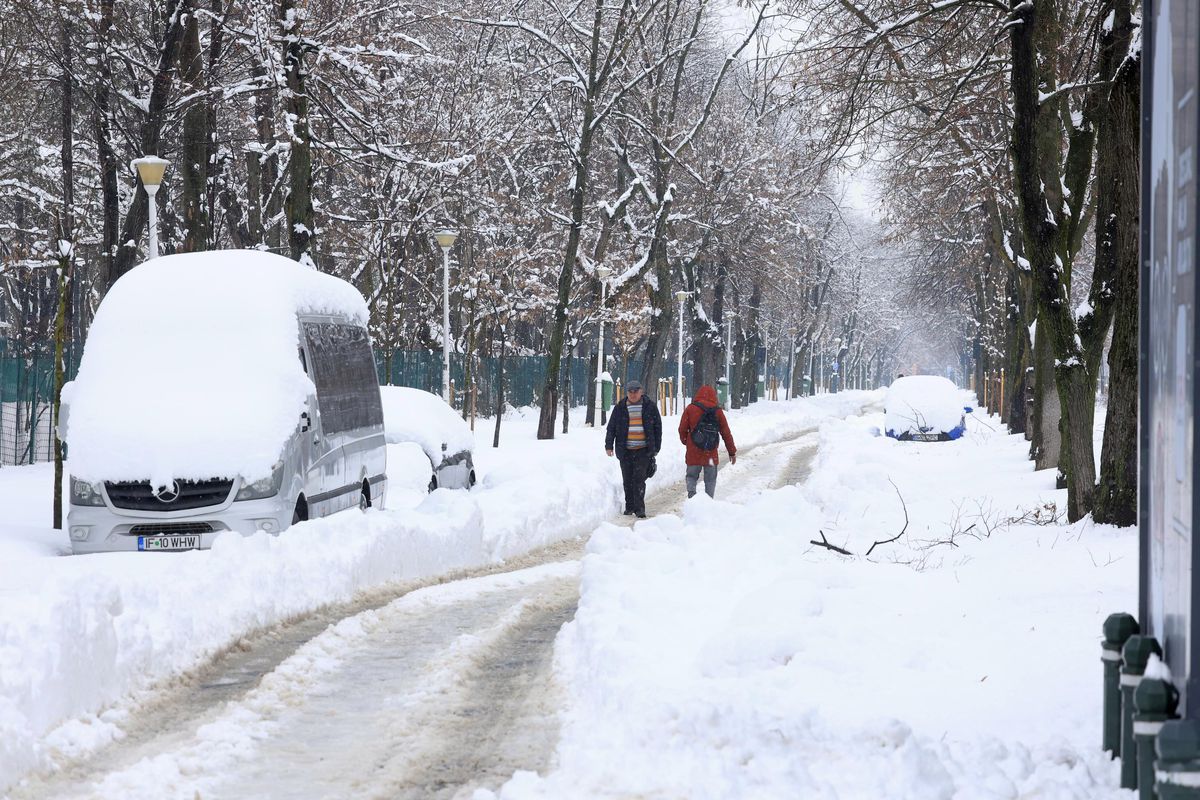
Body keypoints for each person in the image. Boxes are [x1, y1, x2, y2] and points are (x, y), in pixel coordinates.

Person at [605, 380, 662, 518]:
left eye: (635, 391)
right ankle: (629, 506)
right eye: (630, 392)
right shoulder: (620, 407)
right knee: (627, 479)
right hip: (625, 450)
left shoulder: (650, 407)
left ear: (641, 392)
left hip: (643, 449)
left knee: (639, 479)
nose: (633, 394)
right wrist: (608, 445)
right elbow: (611, 427)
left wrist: (656, 447)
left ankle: (639, 509)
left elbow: (657, 428)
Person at [678, 384, 736, 499]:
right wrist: (732, 452)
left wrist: (688, 442)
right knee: (710, 479)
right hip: (711, 452)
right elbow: (726, 433)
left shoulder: (691, 408)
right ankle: (709, 501)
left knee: (691, 476)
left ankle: (692, 497)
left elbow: (682, 429)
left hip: (693, 452)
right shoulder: (718, 411)